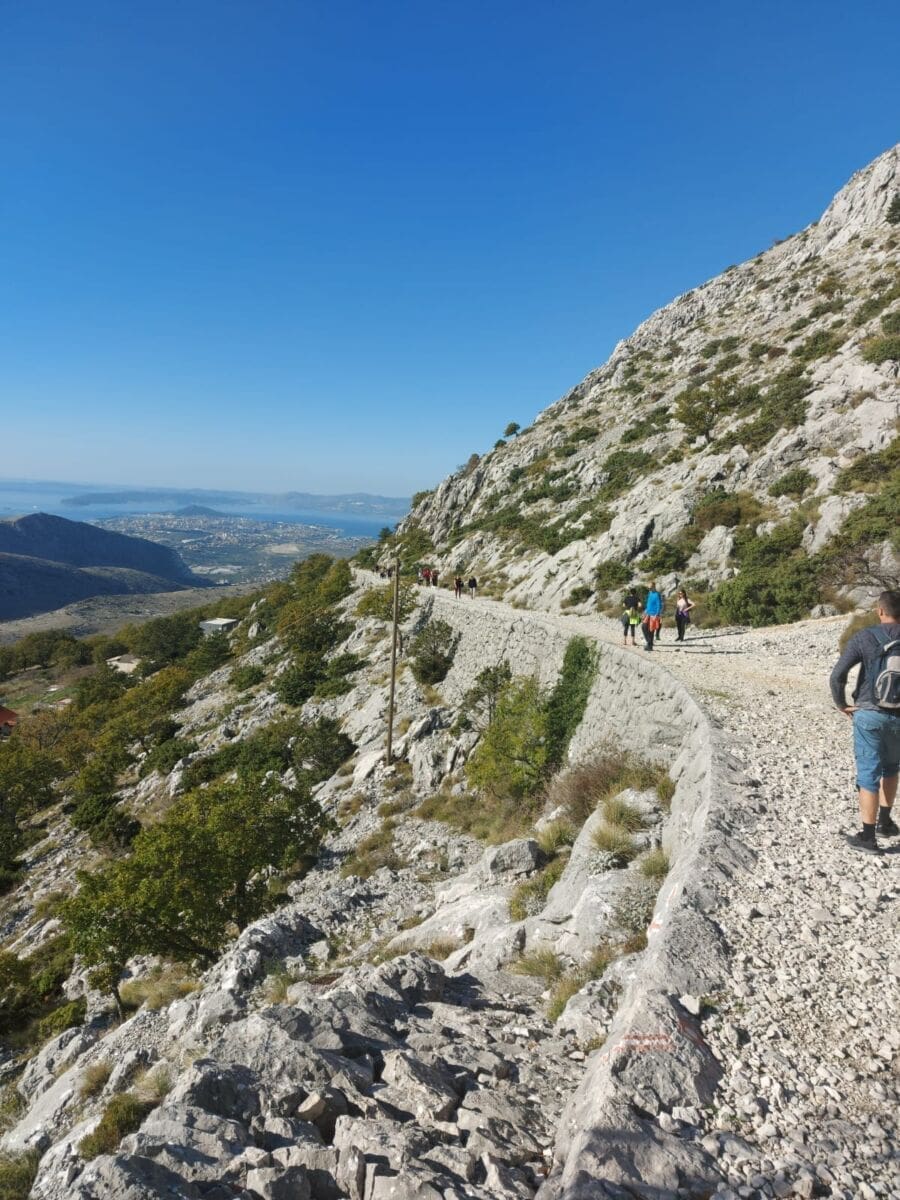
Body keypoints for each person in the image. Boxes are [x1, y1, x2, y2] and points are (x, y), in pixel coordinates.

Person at [829, 590, 900, 854]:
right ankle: (885, 823)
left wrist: (842, 704)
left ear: (880, 611)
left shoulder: (865, 636)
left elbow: (838, 675)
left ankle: (868, 838)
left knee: (869, 772)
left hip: (869, 713)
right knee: (892, 768)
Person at [643, 582, 662, 649]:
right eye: (648, 588)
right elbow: (649, 603)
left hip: (654, 614)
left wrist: (657, 614)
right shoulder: (650, 593)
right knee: (644, 627)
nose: (649, 589)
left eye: (650, 588)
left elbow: (659, 604)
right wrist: (645, 610)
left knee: (651, 630)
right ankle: (649, 642)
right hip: (648, 613)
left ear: (654, 587)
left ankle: (649, 645)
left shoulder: (657, 594)